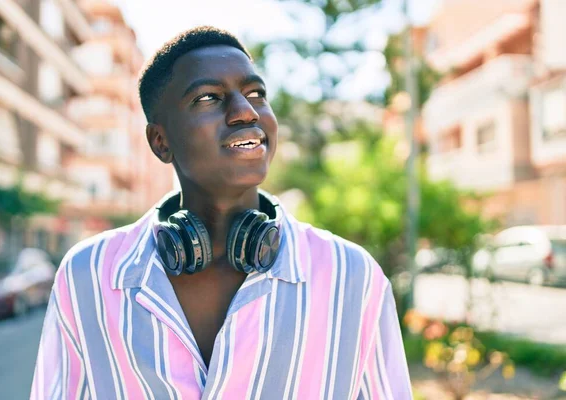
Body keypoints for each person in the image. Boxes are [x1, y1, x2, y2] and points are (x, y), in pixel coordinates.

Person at [31, 26, 412, 400]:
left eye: (256, 93)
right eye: (208, 98)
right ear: (160, 142)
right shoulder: (87, 276)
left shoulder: (352, 277)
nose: (246, 112)